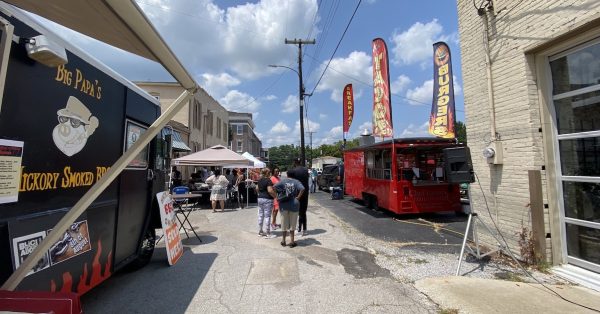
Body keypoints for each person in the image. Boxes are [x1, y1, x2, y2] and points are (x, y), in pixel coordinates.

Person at [274, 170, 305, 248]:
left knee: (283, 223)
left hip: (283, 204)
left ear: (287, 174)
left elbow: (274, 187)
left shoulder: (282, 181)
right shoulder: (296, 182)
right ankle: (292, 241)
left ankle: (283, 240)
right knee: (293, 224)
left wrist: (278, 196)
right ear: (294, 175)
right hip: (294, 204)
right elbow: (302, 189)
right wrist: (298, 197)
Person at [288, 158, 309, 236]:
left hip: (297, 193)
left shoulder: (294, 171)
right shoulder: (305, 170)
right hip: (305, 192)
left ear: (294, 162)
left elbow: (292, 182)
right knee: (303, 212)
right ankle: (305, 229)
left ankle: (299, 229)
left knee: (298, 212)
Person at [256, 168, 276, 238]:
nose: (270, 173)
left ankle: (260, 231)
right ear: (267, 173)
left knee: (261, 215)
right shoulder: (268, 181)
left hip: (260, 198)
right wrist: (275, 196)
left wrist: (260, 194)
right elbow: (270, 190)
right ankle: (268, 232)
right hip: (267, 199)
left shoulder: (259, 180)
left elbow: (257, 189)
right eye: (269, 172)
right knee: (267, 216)